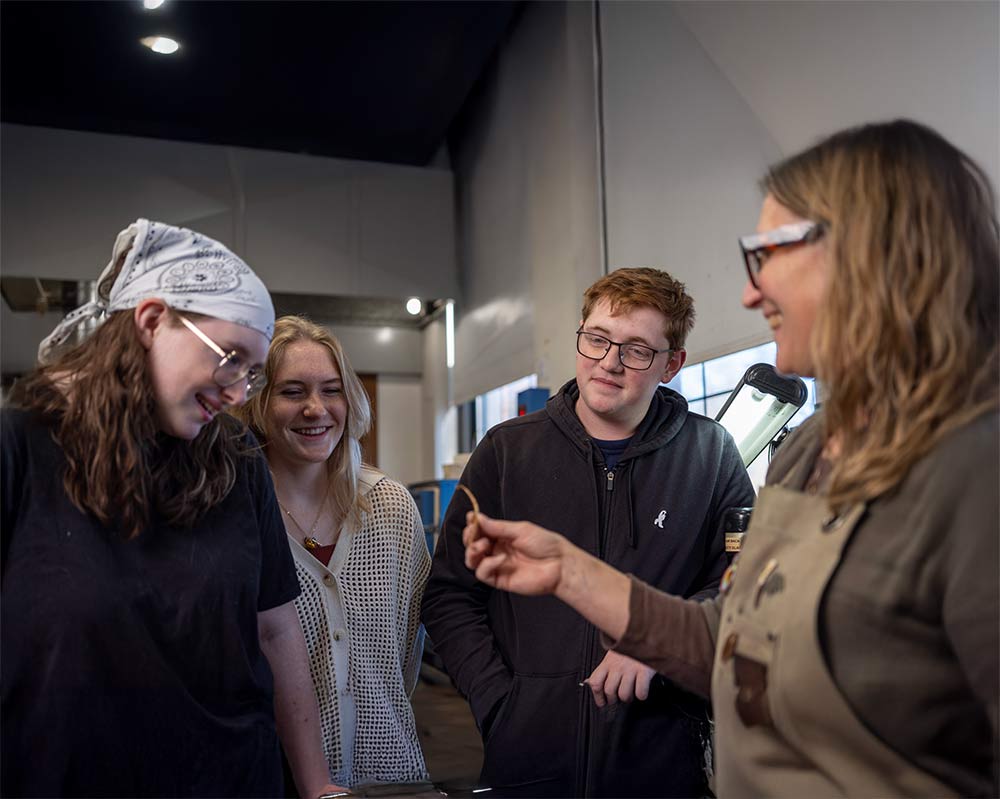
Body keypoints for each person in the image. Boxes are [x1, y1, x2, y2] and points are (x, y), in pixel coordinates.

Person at [463, 120, 999, 798]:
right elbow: (732, 632)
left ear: (872, 257)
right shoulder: (812, 447)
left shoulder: (978, 468)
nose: (750, 293)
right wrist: (571, 572)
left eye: (768, 253)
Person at [1, 220, 340, 798]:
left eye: (252, 374)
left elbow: (275, 629)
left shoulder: (236, 458)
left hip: (234, 780)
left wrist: (318, 787)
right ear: (152, 320)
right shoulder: (21, 447)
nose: (238, 393)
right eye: (230, 358)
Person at [422, 268, 755, 797]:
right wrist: (498, 702)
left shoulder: (711, 456)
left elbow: (741, 591)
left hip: (662, 759)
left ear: (672, 365)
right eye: (597, 338)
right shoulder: (506, 452)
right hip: (528, 760)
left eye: (636, 350)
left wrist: (654, 643)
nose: (609, 362)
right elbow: (450, 594)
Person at [235, 315, 431, 790]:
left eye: (332, 390)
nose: (316, 408)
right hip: (275, 782)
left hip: (390, 776)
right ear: (258, 402)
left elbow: (405, 656)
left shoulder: (390, 508)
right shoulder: (236, 518)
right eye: (292, 392)